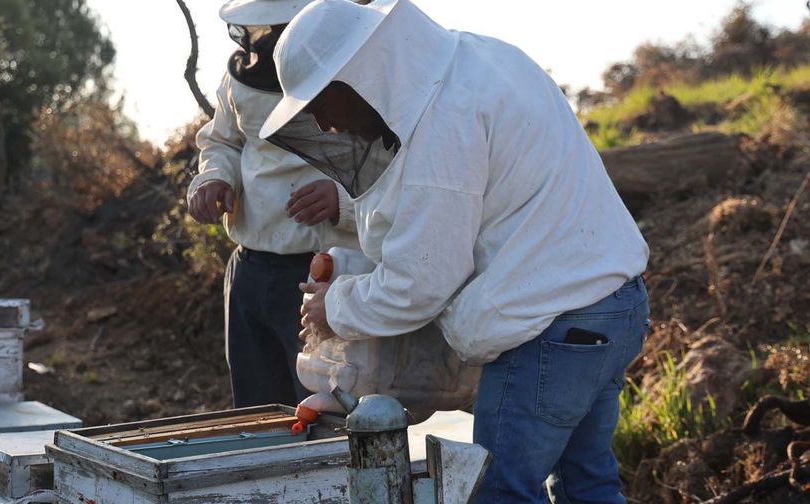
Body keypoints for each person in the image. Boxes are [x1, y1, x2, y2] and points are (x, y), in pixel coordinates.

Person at [259, 0, 650, 502]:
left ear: (357, 78)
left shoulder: (443, 122)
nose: (324, 125)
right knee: (588, 485)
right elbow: (480, 203)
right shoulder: (479, 59)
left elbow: (419, 283)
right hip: (613, 306)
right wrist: (351, 220)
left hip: (552, 326)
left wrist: (331, 307)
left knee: (499, 492)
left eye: (320, 104)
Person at [186, 0, 358, 409]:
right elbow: (223, 140)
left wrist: (343, 201)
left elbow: (397, 163)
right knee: (258, 410)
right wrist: (214, 178)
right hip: (249, 269)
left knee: (325, 409)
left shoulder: (358, 73)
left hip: (327, 274)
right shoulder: (240, 79)